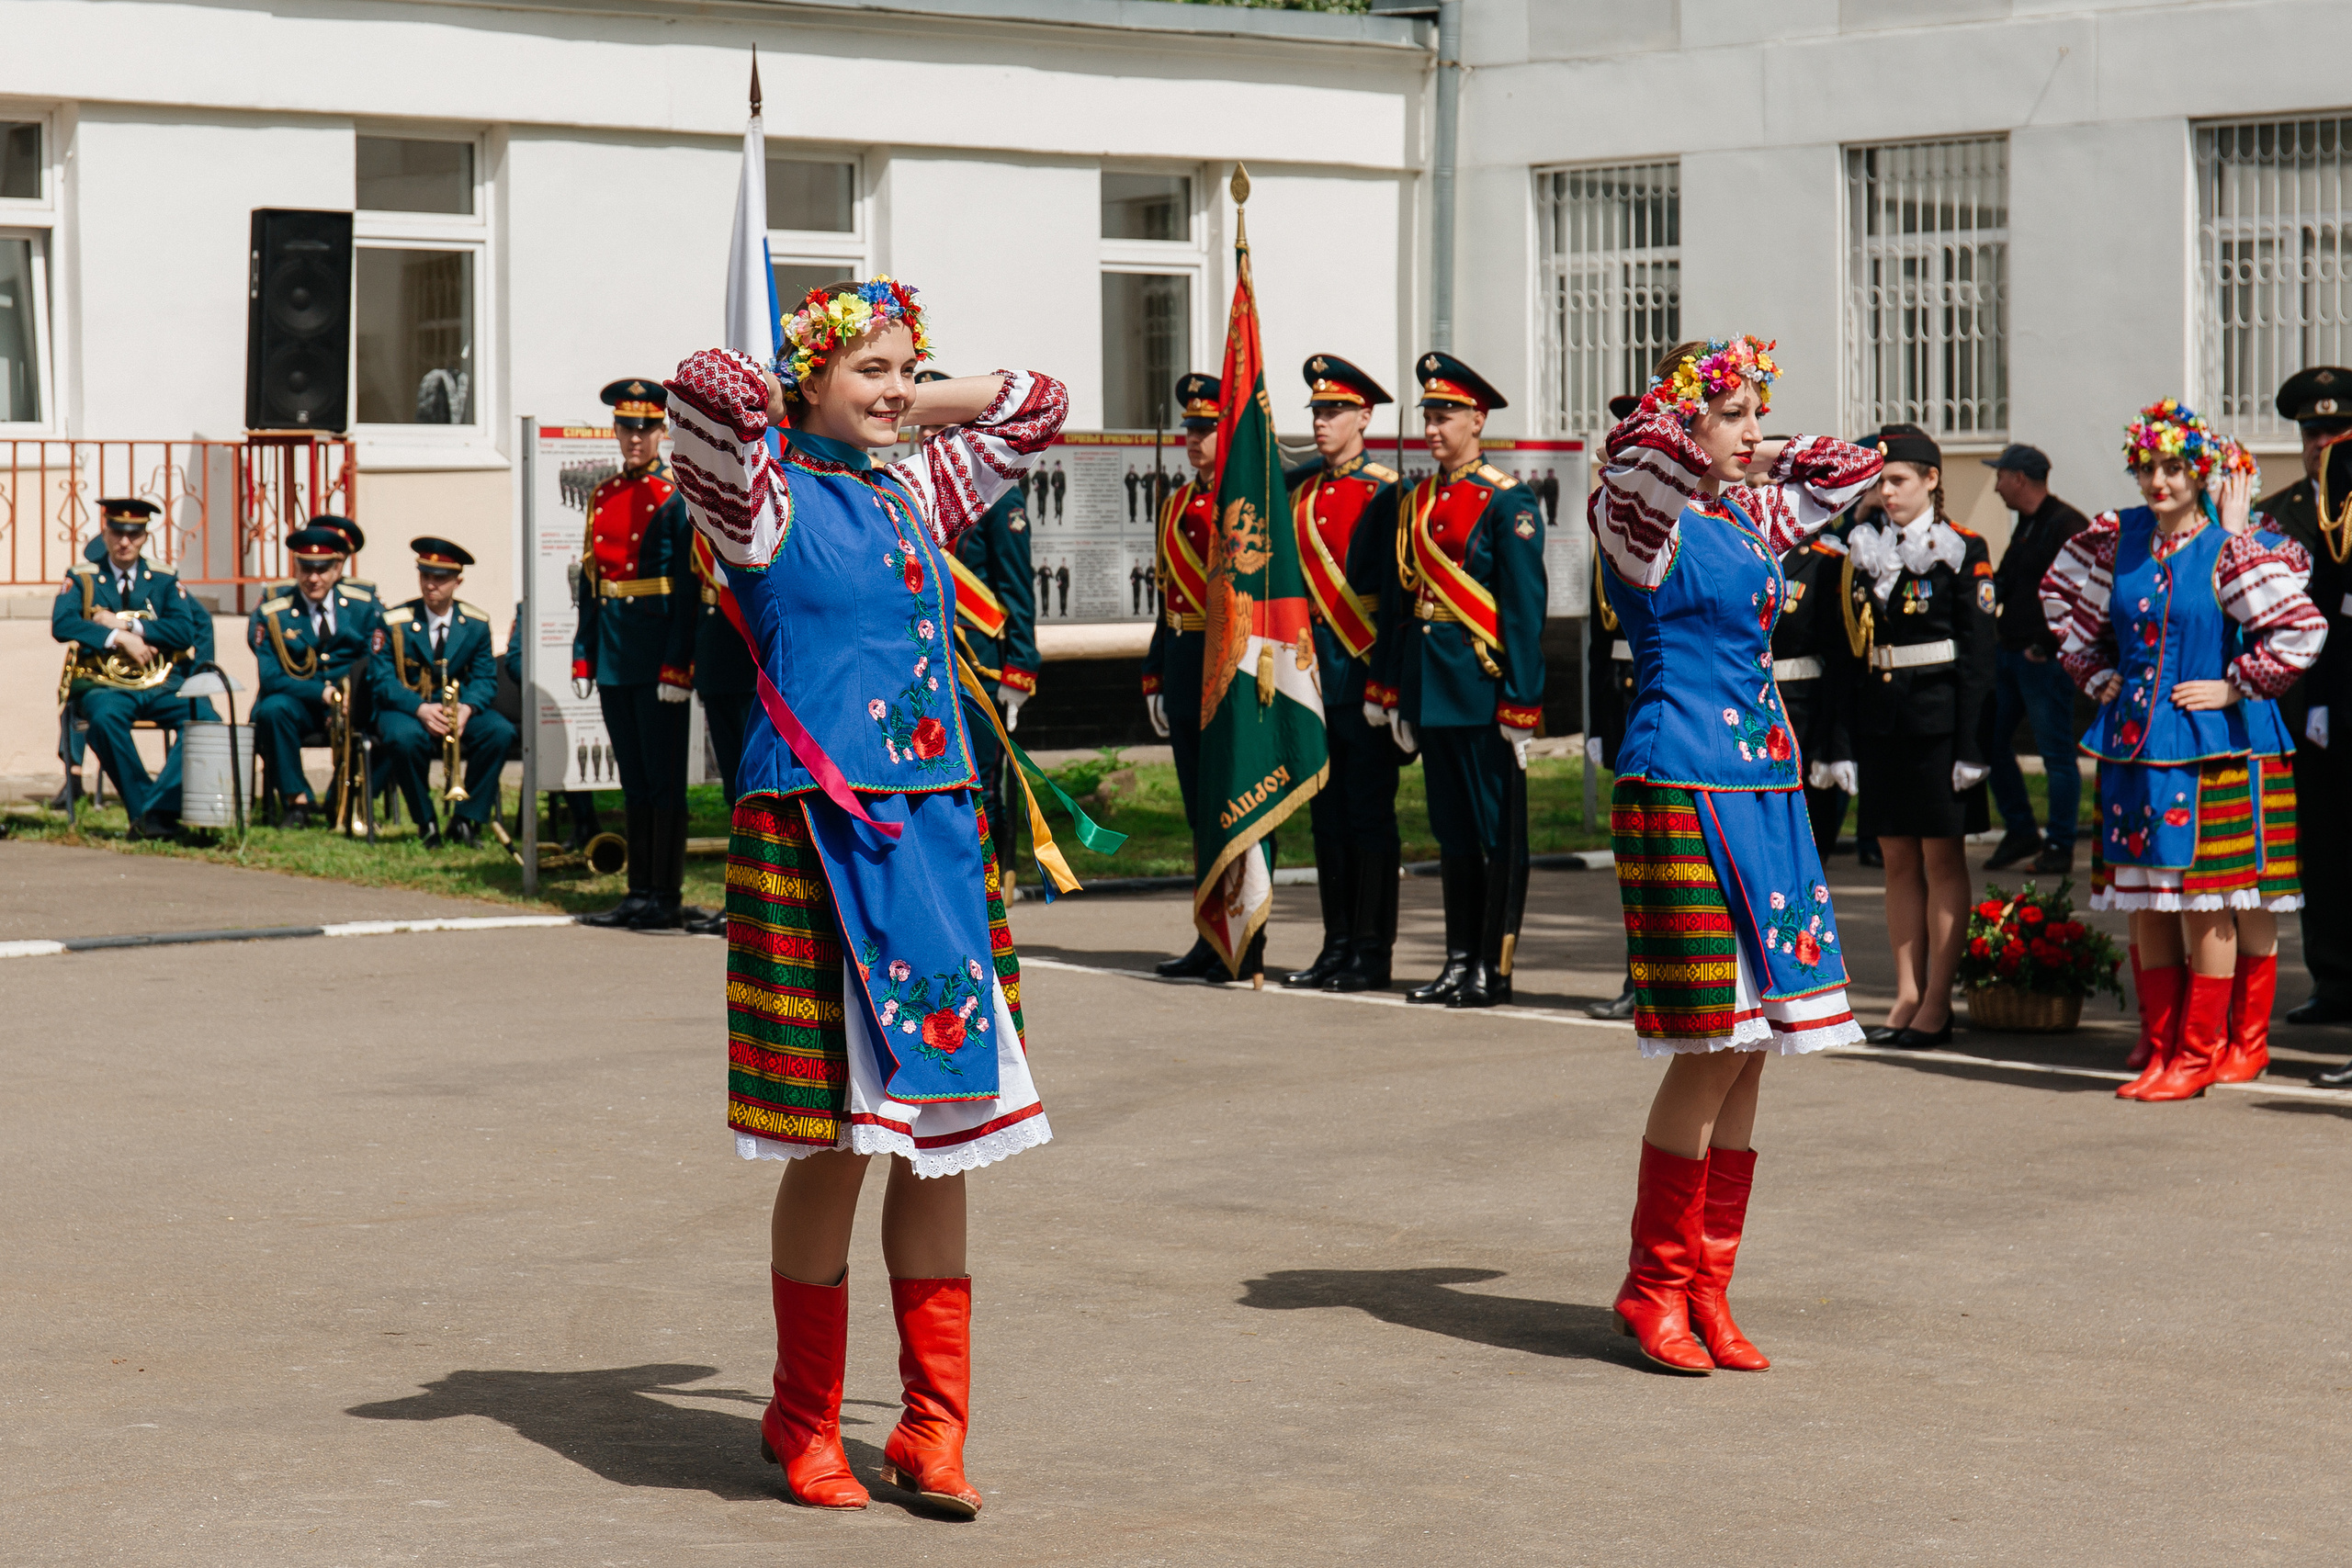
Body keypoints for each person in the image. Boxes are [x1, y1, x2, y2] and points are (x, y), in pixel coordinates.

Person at [662, 276, 1066, 1517]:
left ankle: (932, 1429)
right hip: (815, 829)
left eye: (908, 370)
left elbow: (1039, 404)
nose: (898, 392)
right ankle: (804, 1418)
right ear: (809, 382)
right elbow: (706, 393)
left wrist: (895, 395)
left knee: (942, 1136)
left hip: (935, 830)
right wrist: (809, 387)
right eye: (871, 371)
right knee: (840, 1137)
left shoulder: (912, 485)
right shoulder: (760, 497)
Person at [1592, 336, 1879, 1374]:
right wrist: (1686, 414)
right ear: (1682, 425)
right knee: (1711, 1038)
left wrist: (1748, 433)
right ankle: (1653, 1285)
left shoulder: (1740, 513)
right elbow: (1642, 466)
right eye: (1735, 415)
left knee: (1754, 1044)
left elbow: (1850, 468)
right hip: (1679, 778)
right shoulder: (1639, 518)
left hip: (1765, 786)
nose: (1755, 434)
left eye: (1759, 414)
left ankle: (1709, 1290)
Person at [2042, 402, 2323, 1100]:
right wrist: (2097, 677)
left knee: (2213, 898)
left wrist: (2236, 685)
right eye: (2147, 468)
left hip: (2209, 746)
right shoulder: (2121, 540)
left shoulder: (2233, 548)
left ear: (2202, 474)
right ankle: (2166, 1045)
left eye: (2172, 467)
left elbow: (2300, 627)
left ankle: (2210, 1050)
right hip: (2133, 745)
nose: (2157, 481)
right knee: (2148, 898)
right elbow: (2064, 607)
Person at [1369, 352, 1545, 1010]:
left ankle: (1492, 968)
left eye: (1445, 416)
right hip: (1432, 690)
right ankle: (1457, 959)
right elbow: (1400, 604)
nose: (1432, 429)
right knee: (1453, 835)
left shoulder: (1508, 499)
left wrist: (1522, 702)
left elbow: (1523, 611)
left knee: (1495, 836)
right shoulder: (1416, 500)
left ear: (1478, 420)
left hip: (1482, 688)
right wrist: (1391, 690)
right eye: (1428, 416)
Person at [1839, 429, 1997, 1047]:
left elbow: (1979, 657)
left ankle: (1937, 1000)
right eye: (1878, 482)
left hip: (1939, 726)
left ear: (1932, 479)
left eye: (1897, 480)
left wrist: (1973, 746)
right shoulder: (1863, 546)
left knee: (1941, 858)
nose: (1886, 492)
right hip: (1883, 722)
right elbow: (1851, 647)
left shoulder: (1960, 547)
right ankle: (1906, 993)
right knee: (1897, 860)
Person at [1282, 353, 1403, 993]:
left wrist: (1388, 685)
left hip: (1362, 679)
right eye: (1318, 410)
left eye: (1334, 410)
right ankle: (1335, 945)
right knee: (1325, 821)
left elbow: (1397, 601)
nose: (1322, 421)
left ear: (1365, 417)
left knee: (1368, 817)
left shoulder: (1387, 492)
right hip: (1311, 680)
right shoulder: (1300, 493)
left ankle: (1371, 950)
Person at [574, 377, 700, 931]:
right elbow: (592, 583)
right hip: (615, 654)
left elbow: (689, 588)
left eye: (645, 428)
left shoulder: (677, 496)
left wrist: (678, 664)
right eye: (626, 427)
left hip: (657, 656)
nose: (634, 438)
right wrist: (584, 654)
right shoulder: (602, 495)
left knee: (663, 780)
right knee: (632, 778)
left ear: (661, 432)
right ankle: (637, 891)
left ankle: (665, 895)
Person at [2253, 367, 2352, 1036]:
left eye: (2337, 431)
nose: (2323, 444)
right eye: (2314, 432)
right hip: (2297, 705)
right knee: (2318, 847)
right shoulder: (2279, 512)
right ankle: (2333, 980)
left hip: (2346, 693)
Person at [927, 368, 1040, 897]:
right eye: (924, 428)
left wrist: (1020, 667)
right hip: (926, 659)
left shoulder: (997, 500)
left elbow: (1017, 590)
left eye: (941, 426)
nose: (930, 437)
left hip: (979, 663)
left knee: (983, 783)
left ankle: (988, 891)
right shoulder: (905, 496)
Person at [51, 499, 207, 840]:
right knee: (103, 720)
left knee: (206, 720)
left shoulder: (164, 578)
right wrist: (117, 638)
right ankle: (149, 813)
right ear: (105, 533)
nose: (125, 542)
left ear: (145, 536)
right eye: (118, 532)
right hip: (107, 686)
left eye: (134, 534)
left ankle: (156, 809)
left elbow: (185, 631)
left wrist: (133, 628)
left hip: (162, 685)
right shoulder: (82, 577)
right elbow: (62, 624)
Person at [1143, 372, 1226, 979]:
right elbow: (1165, 596)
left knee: (1232, 805)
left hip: (1223, 668)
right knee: (1200, 813)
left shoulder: (1243, 506)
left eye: (1207, 428)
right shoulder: (1175, 504)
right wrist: (1155, 674)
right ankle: (1207, 933)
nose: (1194, 439)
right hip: (1181, 665)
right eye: (1190, 428)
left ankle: (1241, 937)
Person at [1982, 444, 2092, 874]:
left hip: (2043, 661)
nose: (1996, 487)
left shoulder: (2066, 525)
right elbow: (2007, 581)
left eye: (2000, 477)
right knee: (1989, 741)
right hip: (2010, 653)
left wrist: (2046, 643)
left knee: (2055, 753)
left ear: (2020, 479)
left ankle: (2060, 844)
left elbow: (2083, 593)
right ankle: (2021, 830)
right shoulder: (2028, 525)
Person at [369, 538, 513, 847]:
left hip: (455, 709)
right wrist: (420, 709)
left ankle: (466, 819)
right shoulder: (394, 622)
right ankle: (427, 822)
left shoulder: (475, 623)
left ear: (458, 582)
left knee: (499, 732)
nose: (431, 584)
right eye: (425, 576)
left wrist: (466, 709)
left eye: (441, 578)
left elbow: (485, 679)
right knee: (403, 738)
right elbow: (381, 679)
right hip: (409, 709)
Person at [249, 521, 380, 827]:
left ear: (337, 569)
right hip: (301, 704)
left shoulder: (362, 608)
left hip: (349, 703)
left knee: (388, 719)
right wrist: (322, 693)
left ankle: (342, 799)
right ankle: (298, 802)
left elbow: (374, 661)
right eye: (306, 569)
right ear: (296, 568)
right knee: (272, 710)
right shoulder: (274, 613)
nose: (313, 578)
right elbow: (271, 677)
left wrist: (351, 698)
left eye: (322, 570)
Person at [1585, 394, 1643, 1021]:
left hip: (1668, 695)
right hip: (1628, 697)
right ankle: (1637, 976)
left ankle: (1652, 979)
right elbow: (1602, 640)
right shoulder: (1609, 520)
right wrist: (1601, 722)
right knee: (1637, 856)